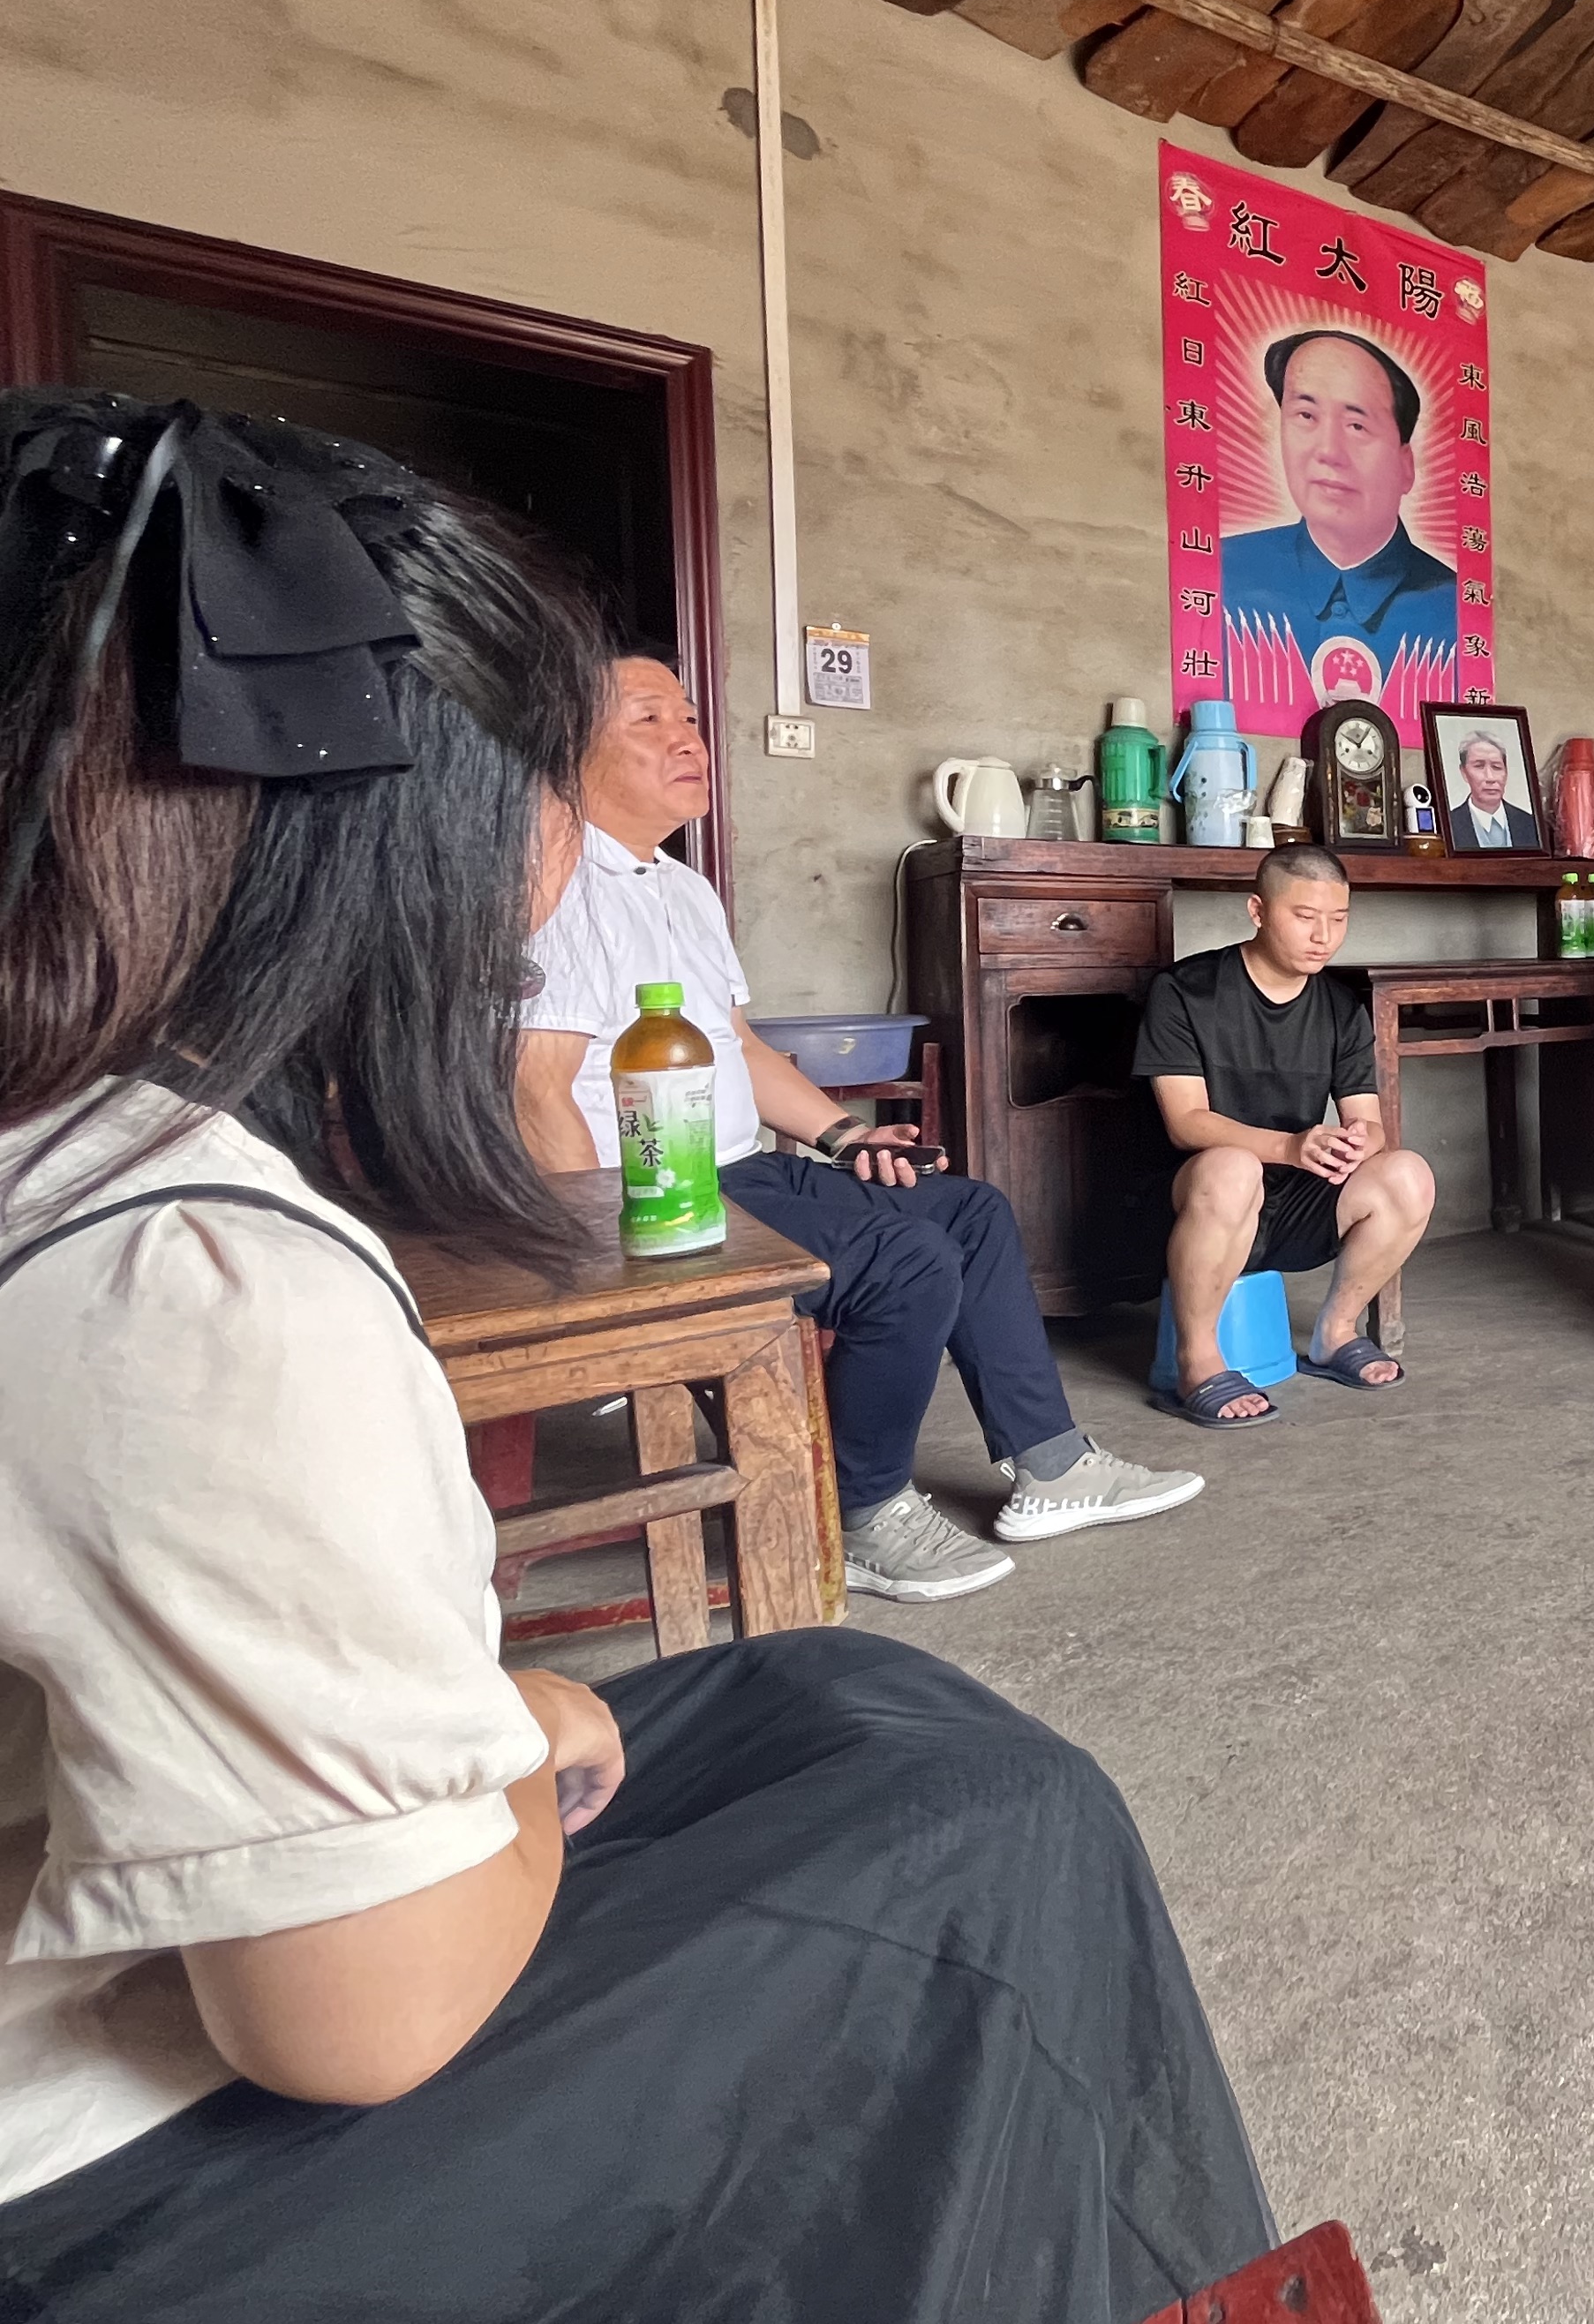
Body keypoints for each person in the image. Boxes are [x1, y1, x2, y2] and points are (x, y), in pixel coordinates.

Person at [0, 391, 1272, 2315]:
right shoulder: (196, 1275)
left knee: (845, 1671)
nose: (579, 810)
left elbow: (746, 1055)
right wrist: (525, 1726)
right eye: (547, 757)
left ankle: (1019, 1468)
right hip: (108, 2161)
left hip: (225, 1915)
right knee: (1012, 1824)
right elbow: (361, 2021)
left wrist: (844, 1132)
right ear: (404, 814)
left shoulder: (98, 1150)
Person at [516, 655, 1204, 1603]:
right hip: (655, 1204)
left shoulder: (681, 889)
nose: (688, 740)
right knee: (905, 1263)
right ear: (569, 748)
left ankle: (1049, 1466)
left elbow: (742, 1049)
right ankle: (859, 1511)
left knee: (966, 1212)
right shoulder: (555, 889)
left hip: (740, 1172)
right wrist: (608, 1262)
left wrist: (846, 1137)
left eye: (690, 718)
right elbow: (534, 1092)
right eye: (649, 720)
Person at [1135, 846, 1437, 1427]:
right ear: (1258, 911)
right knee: (1232, 1166)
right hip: (1195, 1201)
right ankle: (1197, 1360)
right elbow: (1185, 1122)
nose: (1324, 936)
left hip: (1293, 1198)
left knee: (1408, 1174)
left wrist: (1359, 1141)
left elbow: (1370, 1122)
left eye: (1339, 919)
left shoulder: (1341, 1008)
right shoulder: (1186, 991)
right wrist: (1291, 1147)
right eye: (1305, 917)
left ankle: (1336, 1333)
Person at [1220, 330, 1460, 718]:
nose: (1329, 451)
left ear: (1406, 466)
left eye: (1356, 426)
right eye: (1306, 416)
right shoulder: (1223, 571)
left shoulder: (1453, 607)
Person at [1444, 727, 1530, 850]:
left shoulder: (1529, 823)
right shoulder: (1449, 825)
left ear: (1506, 772)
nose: (1490, 778)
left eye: (1496, 767)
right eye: (1479, 766)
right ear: (1464, 772)